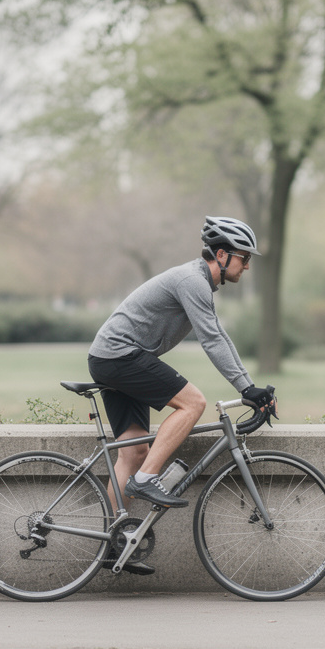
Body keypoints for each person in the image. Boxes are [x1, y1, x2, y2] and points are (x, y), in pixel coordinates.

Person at [87, 216, 274, 573]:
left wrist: (250, 386)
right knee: (194, 403)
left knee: (134, 449)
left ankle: (109, 546)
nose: (247, 264)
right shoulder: (193, 280)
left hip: (111, 357)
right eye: (243, 257)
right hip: (119, 356)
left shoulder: (198, 282)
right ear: (221, 255)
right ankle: (146, 480)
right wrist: (246, 388)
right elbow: (213, 340)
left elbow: (220, 335)